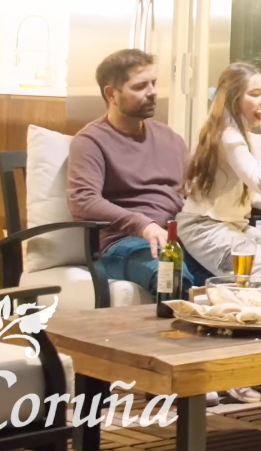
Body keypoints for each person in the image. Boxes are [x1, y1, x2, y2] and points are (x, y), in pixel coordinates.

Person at [68, 49, 210, 295]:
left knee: (232, 278)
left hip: (181, 236)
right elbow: (83, 199)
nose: (152, 92)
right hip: (124, 243)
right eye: (140, 86)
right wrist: (143, 225)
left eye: (153, 83)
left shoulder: (169, 137)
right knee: (172, 274)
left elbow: (194, 191)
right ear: (112, 94)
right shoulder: (91, 140)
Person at [178, 63, 261, 289]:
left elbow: (244, 190)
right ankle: (230, 307)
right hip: (203, 227)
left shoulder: (241, 134)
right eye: (255, 94)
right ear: (234, 99)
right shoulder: (228, 136)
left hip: (234, 225)